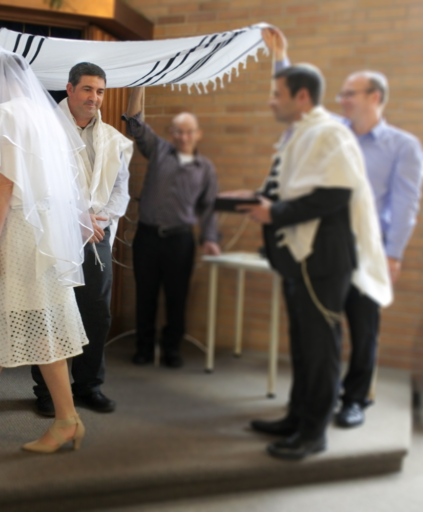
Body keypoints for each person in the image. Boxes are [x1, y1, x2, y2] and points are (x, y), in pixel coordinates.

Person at [226, 63, 392, 459]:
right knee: (302, 345)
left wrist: (276, 214)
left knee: (321, 348)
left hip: (323, 259)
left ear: (301, 97)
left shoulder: (329, 133)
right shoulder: (300, 134)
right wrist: (249, 198)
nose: (271, 101)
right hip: (301, 260)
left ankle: (314, 432)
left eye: (276, 94)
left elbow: (336, 194)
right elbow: (287, 187)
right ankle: (297, 416)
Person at [264, 28, 423, 429]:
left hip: (369, 250)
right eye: (341, 94)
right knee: (321, 330)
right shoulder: (333, 131)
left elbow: (405, 205)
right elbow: (298, 102)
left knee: (363, 328)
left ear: (376, 98)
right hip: (326, 250)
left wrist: (393, 253)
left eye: (351, 93)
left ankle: (354, 400)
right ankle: (316, 401)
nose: (342, 99)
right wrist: (281, 58)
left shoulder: (403, 147)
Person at [0, 48, 94, 453]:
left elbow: (4, 185)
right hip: (45, 230)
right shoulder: (44, 115)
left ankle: (66, 420)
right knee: (6, 316)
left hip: (22, 232)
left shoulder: (5, 113)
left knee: (37, 323)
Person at [31, 62, 134, 417]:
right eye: (88, 89)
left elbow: (121, 187)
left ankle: (88, 385)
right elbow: (37, 185)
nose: (95, 98)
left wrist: (101, 218)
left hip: (97, 235)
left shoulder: (114, 140)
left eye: (100, 91)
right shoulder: (44, 130)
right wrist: (77, 218)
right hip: (53, 231)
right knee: (52, 312)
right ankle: (46, 390)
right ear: (70, 89)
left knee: (96, 314)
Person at [123, 87, 221, 368]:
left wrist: (210, 238)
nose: (183, 136)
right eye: (178, 131)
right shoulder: (159, 150)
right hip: (148, 238)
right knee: (146, 296)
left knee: (177, 298)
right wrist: (139, 87)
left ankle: (171, 350)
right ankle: (143, 348)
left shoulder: (205, 169)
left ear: (198, 134)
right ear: (172, 133)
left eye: (189, 131)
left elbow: (208, 208)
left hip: (181, 241)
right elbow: (135, 125)